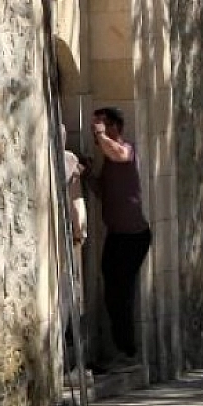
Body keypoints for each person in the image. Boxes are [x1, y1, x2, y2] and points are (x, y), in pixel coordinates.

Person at [91, 106, 150, 368]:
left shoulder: (127, 150)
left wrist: (102, 137)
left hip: (133, 237)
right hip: (116, 236)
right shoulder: (108, 163)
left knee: (121, 292)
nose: (97, 132)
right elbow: (103, 192)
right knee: (112, 291)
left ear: (116, 127)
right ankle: (122, 348)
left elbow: (118, 153)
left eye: (103, 125)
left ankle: (128, 352)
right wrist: (85, 172)